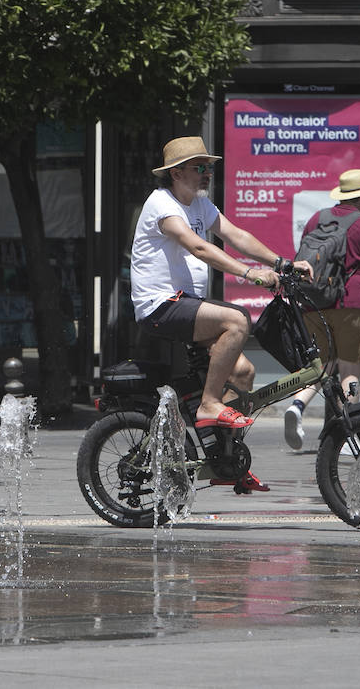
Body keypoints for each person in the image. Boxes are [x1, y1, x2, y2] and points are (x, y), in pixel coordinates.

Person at [130, 136, 312, 491]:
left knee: (243, 372)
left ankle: (224, 462)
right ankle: (210, 404)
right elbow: (198, 247)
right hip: (160, 305)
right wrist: (248, 273)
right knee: (237, 319)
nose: (206, 174)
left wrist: (280, 263)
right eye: (199, 167)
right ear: (176, 172)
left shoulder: (200, 204)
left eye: (209, 167)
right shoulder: (162, 205)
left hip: (185, 305)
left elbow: (236, 235)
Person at [284, 169, 360, 450]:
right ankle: (347, 437)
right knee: (349, 370)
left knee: (321, 365)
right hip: (351, 304)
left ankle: (297, 405)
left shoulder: (316, 220)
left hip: (315, 305)